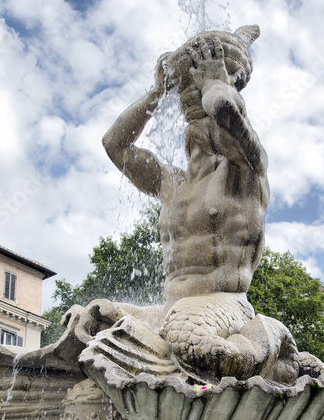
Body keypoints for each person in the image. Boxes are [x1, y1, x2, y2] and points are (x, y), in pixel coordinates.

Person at [100, 25, 310, 384]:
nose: (192, 109)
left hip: (224, 306)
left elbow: (226, 110)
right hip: (171, 309)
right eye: (187, 100)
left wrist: (216, 80)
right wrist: (157, 92)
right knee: (95, 318)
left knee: (189, 341)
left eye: (198, 99)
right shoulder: (172, 184)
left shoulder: (246, 169)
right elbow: (114, 145)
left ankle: (266, 341)